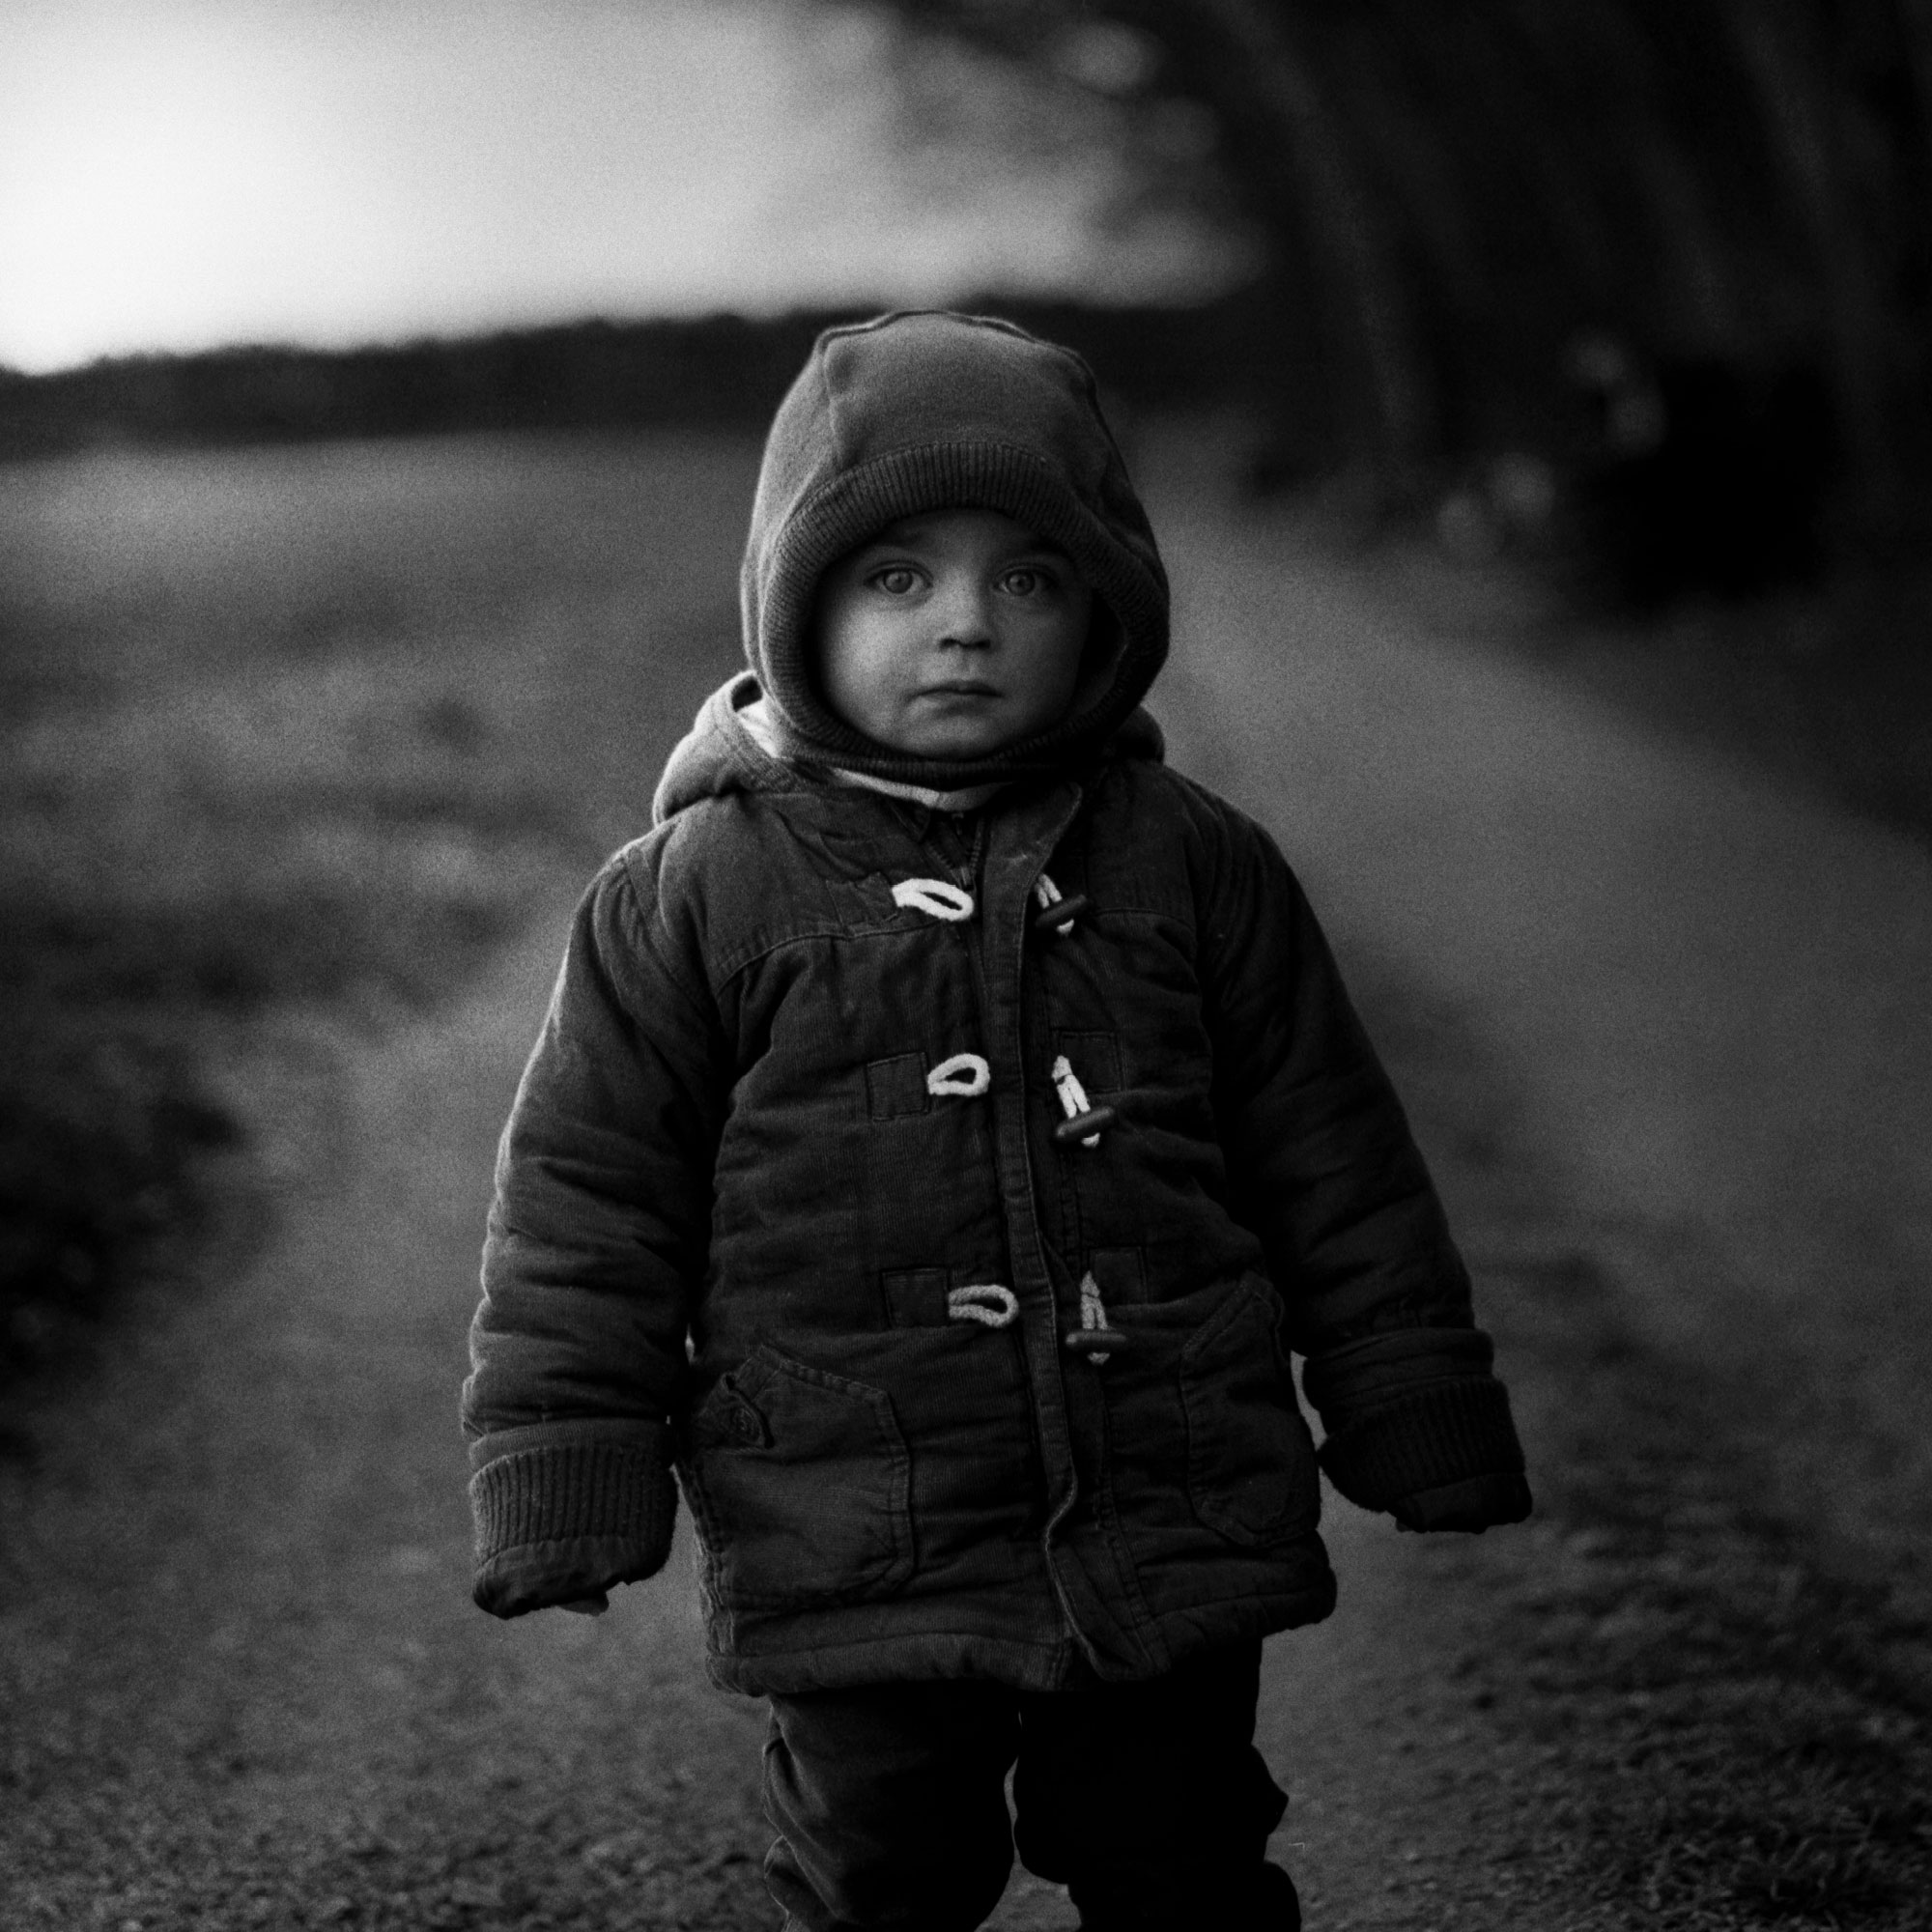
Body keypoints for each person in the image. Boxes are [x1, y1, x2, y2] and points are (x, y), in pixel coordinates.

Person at [462, 310, 1531, 1931]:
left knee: (1181, 1860)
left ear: (1105, 604)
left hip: (1162, 1494)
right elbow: (589, 1204)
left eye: (1025, 578)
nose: (965, 626)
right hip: (850, 1511)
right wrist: (564, 1461)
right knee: (884, 1876)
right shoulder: (691, 894)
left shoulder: (1195, 862)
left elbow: (1334, 1154)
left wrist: (1412, 1394)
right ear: (797, 602)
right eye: (898, 579)